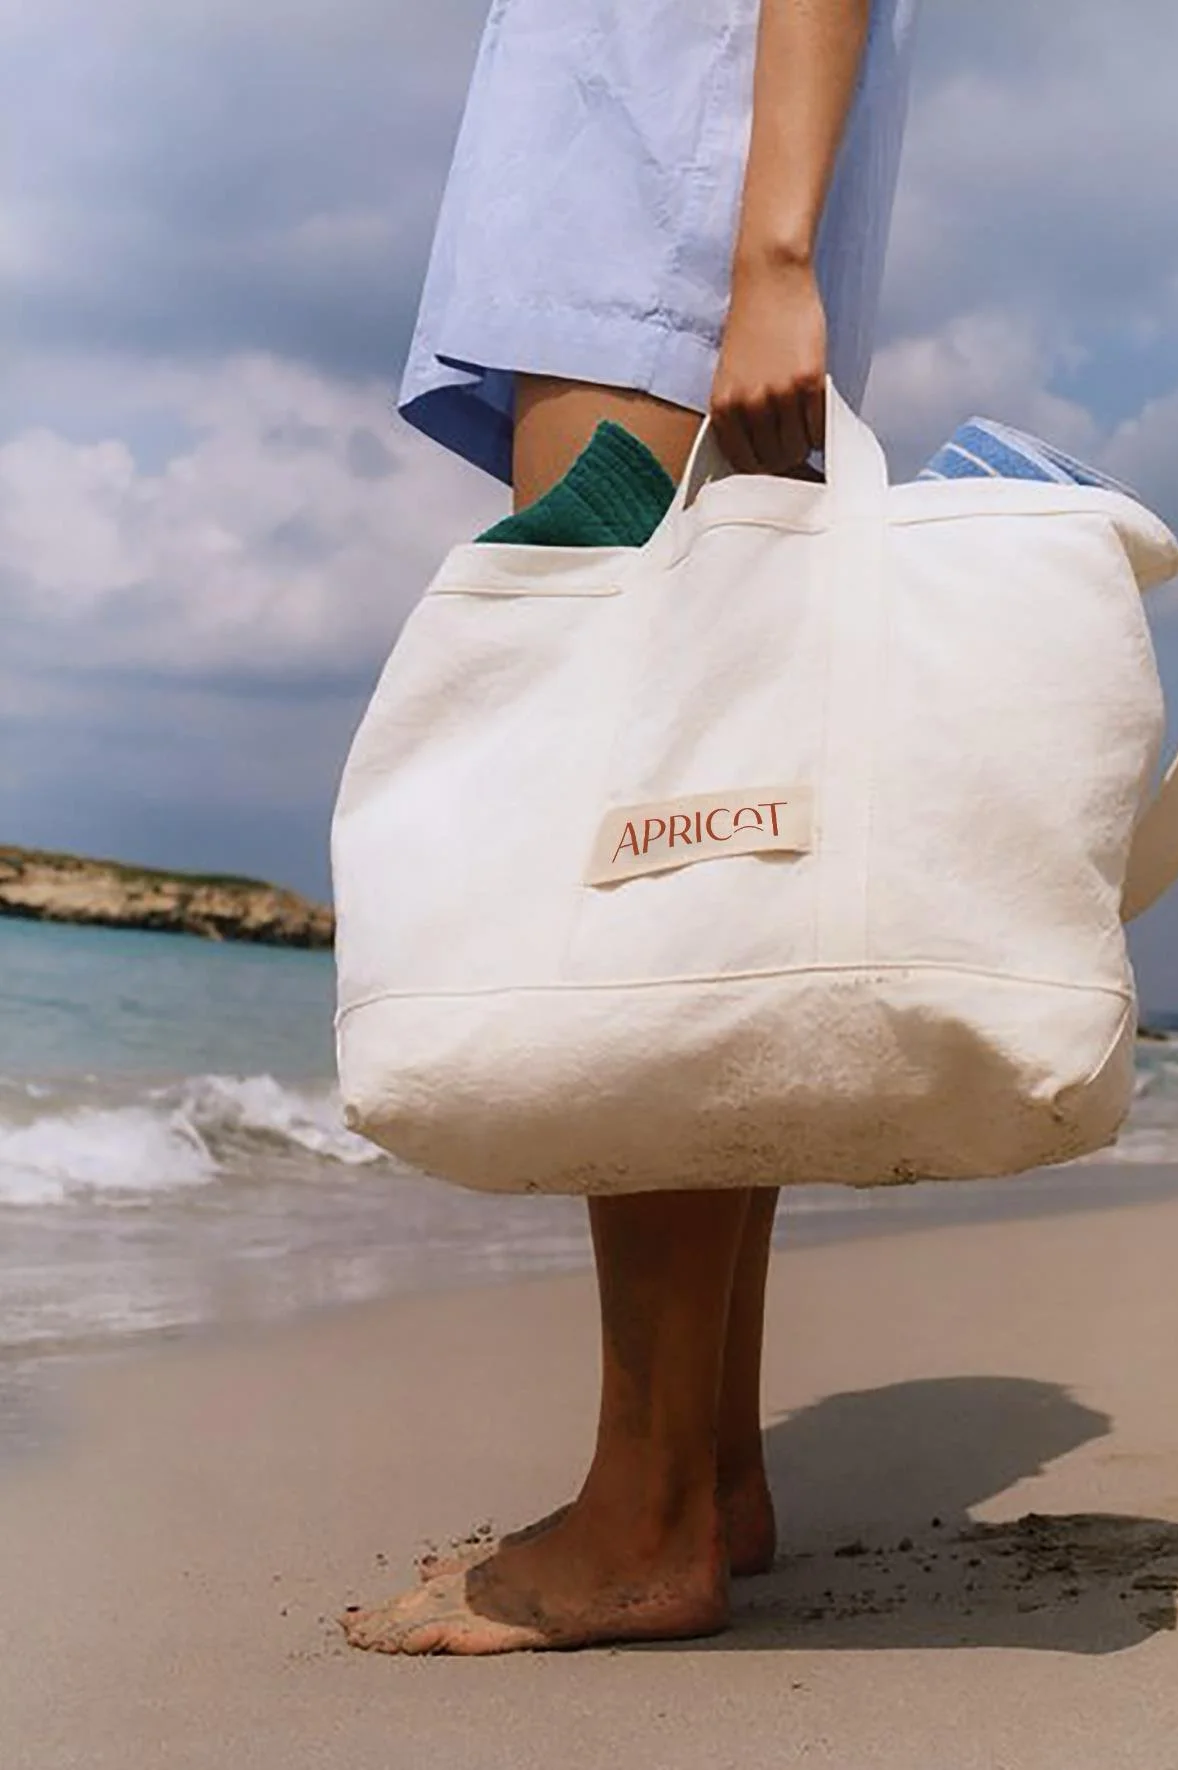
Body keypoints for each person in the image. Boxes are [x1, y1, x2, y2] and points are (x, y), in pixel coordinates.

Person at [342, 0, 919, 1656]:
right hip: (666, 220)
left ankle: (646, 1507)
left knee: (641, 847)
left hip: (667, 231)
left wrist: (771, 254)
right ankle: (709, 1466)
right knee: (697, 845)